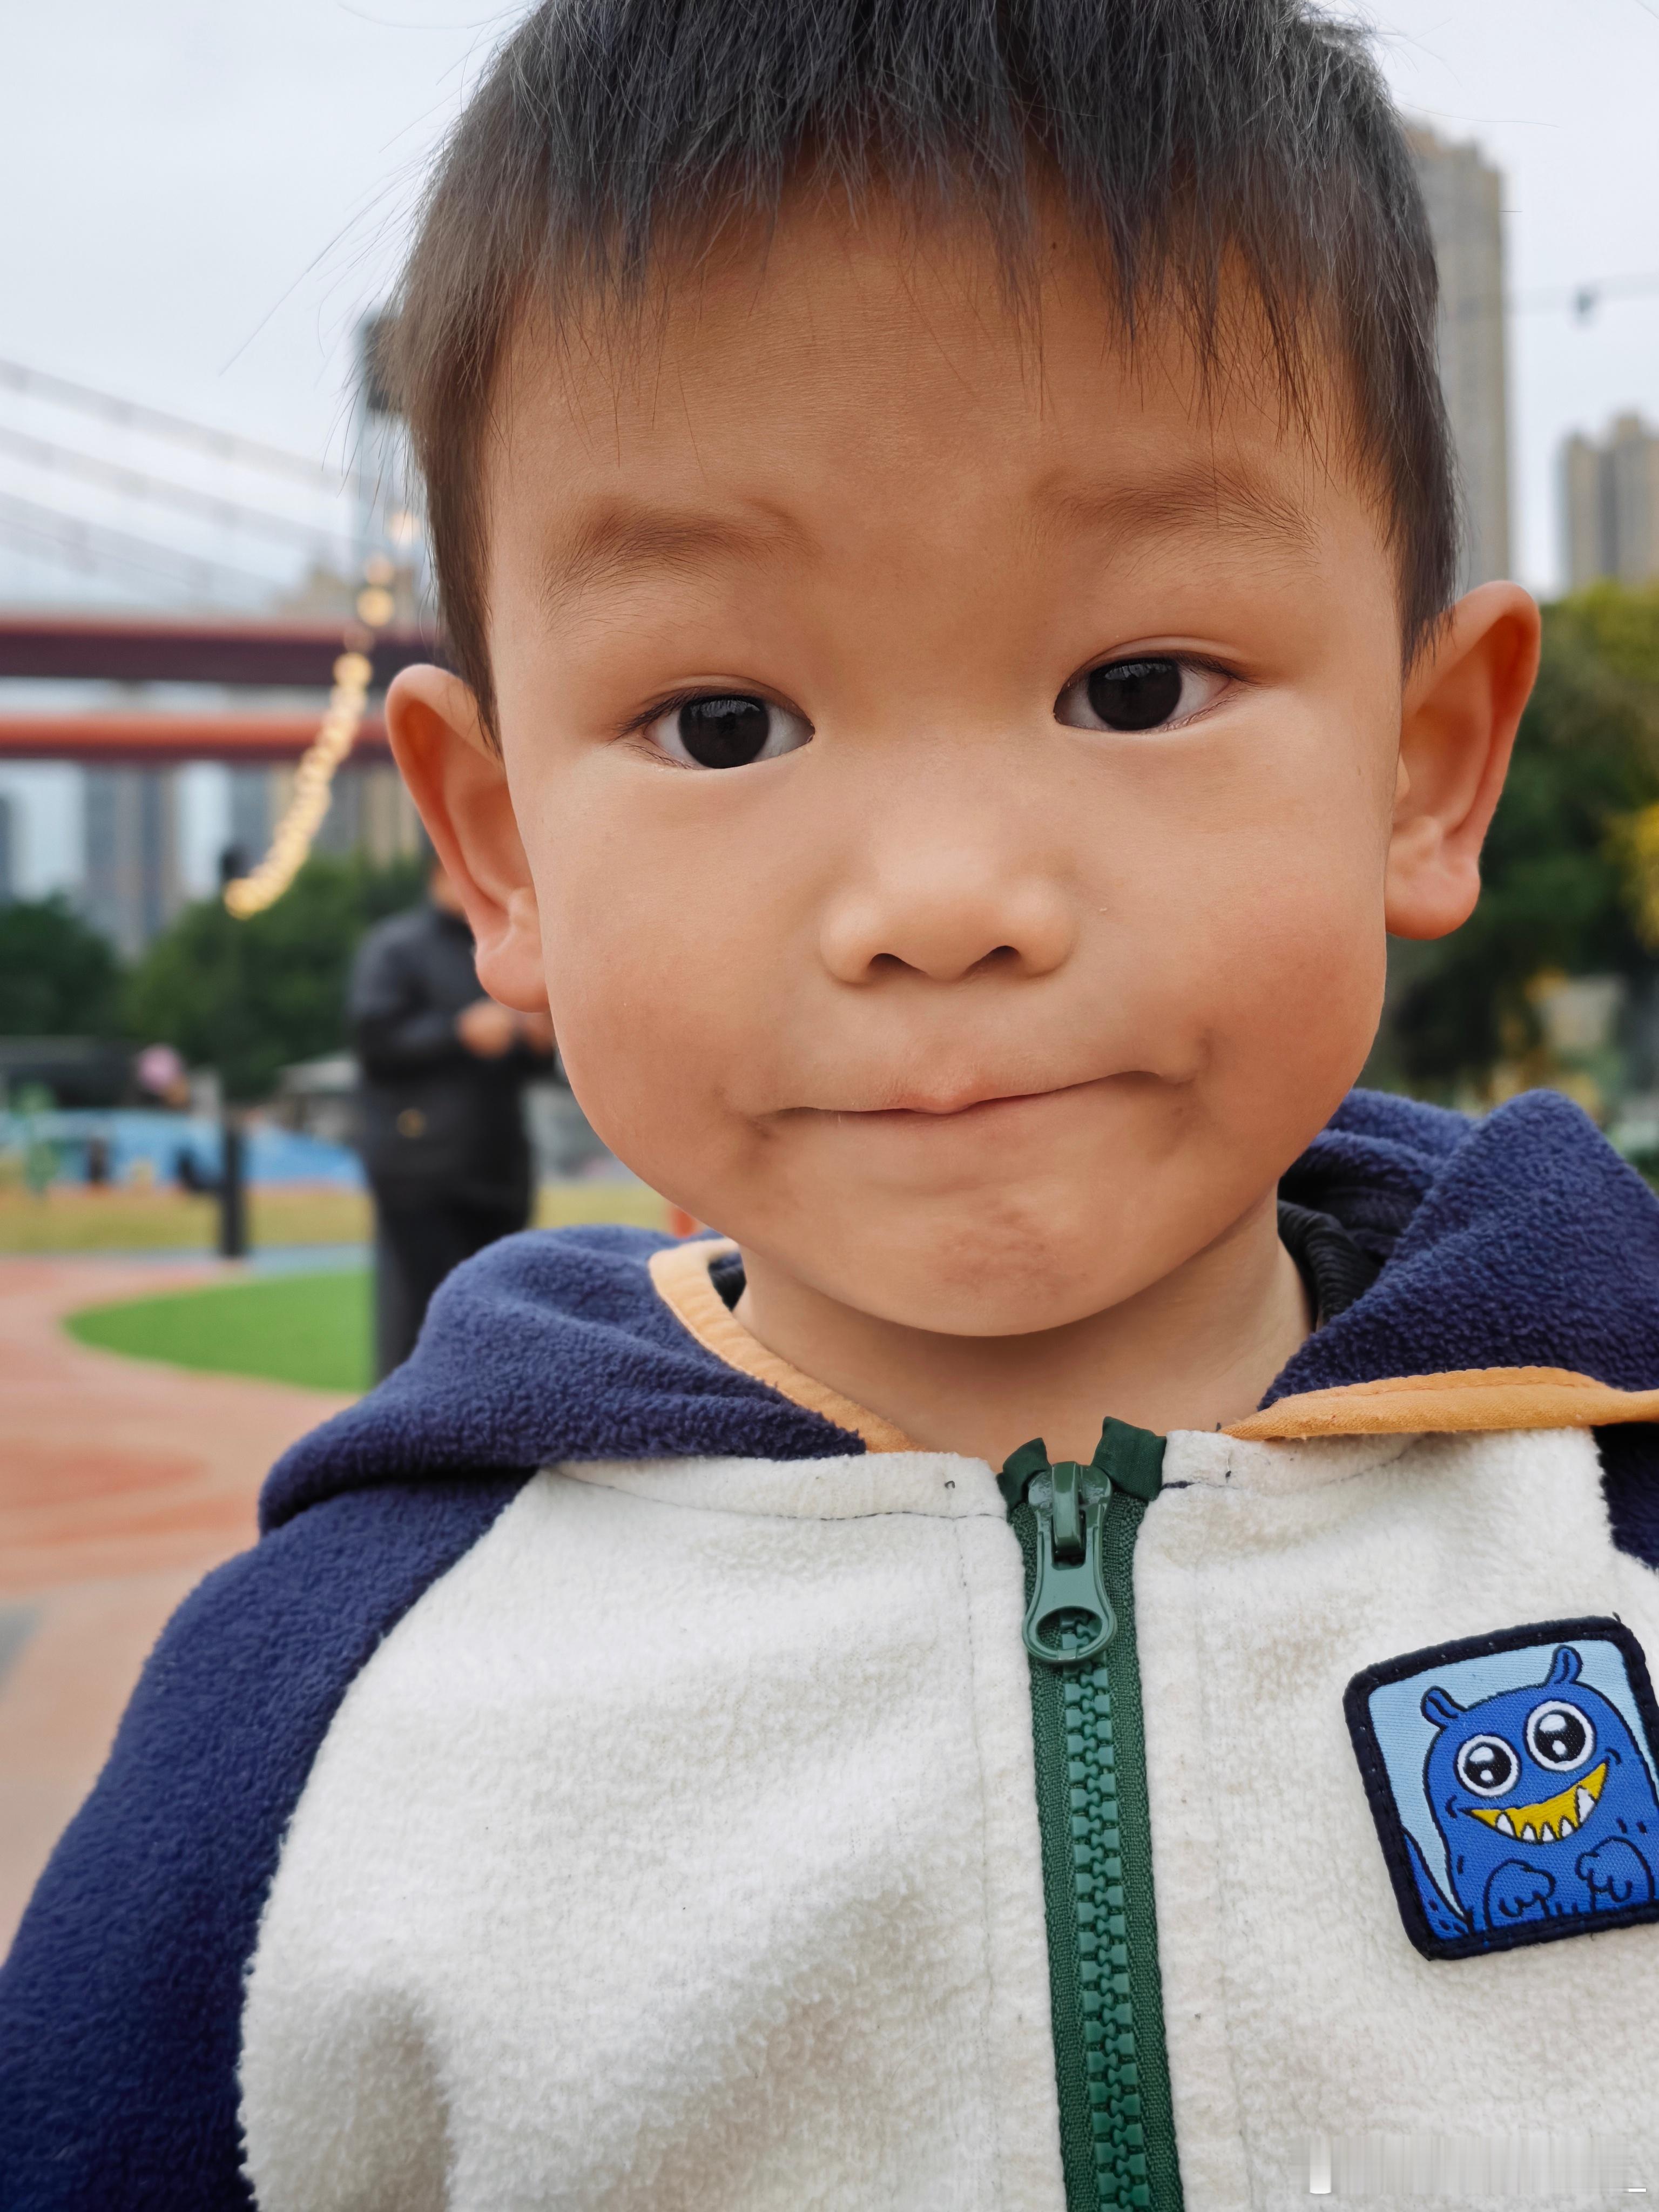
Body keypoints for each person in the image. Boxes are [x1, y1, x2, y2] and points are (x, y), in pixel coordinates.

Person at [8, 5, 1659, 2206]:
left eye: (1136, 687)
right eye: (723, 722)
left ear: (1426, 767)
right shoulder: (311, 1722)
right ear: (497, 853)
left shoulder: (1616, 1518)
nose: (941, 903)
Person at [349, 859, 557, 1375]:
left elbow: (532, 1066)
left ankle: (489, 1419)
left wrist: (538, 1041)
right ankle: (409, 1422)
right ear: (440, 872)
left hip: (498, 1164)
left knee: (497, 1313)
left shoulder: (506, 949)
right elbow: (373, 1042)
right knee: (421, 1312)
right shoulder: (396, 947)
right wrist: (457, 1032)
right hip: (419, 1166)